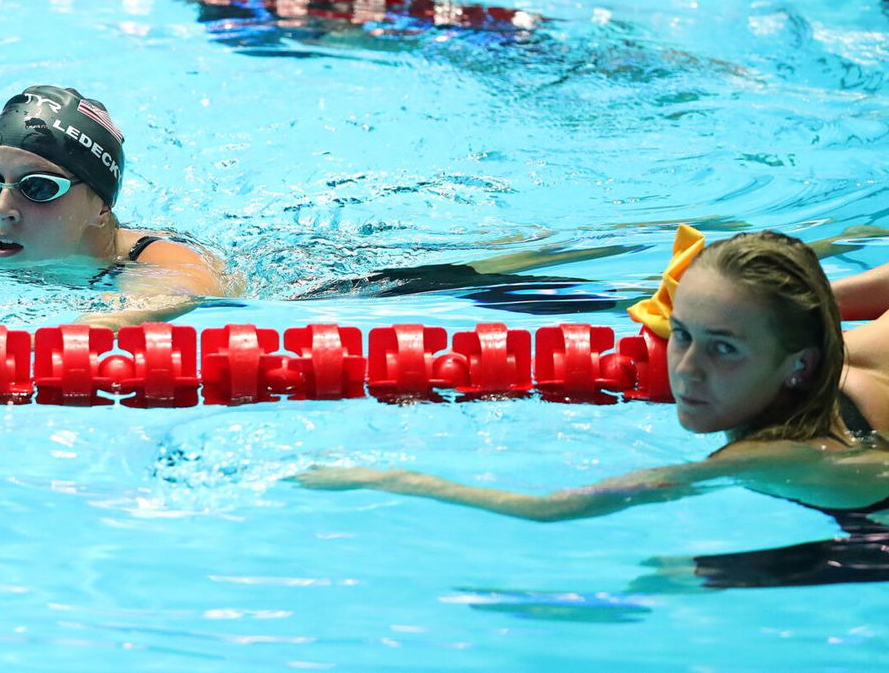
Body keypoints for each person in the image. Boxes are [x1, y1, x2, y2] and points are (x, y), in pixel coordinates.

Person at [294, 228, 889, 587]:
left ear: (800, 363)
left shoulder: (784, 455)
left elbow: (551, 511)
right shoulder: (828, 344)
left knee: (689, 578)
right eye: (683, 333)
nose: (684, 369)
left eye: (725, 348)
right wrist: (775, 306)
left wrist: (385, 477)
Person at [0, 85, 230, 329]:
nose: (1, 208)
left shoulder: (150, 257)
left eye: (37, 187)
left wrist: (90, 328)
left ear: (100, 205)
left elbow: (186, 285)